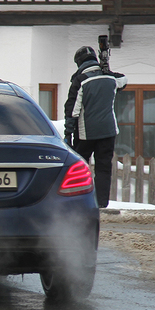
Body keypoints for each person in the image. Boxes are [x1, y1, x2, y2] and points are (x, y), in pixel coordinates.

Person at [64, 46, 127, 208]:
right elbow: (123, 81)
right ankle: (101, 204)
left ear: (79, 63)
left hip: (86, 133)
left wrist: (68, 133)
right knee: (104, 168)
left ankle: (80, 202)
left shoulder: (81, 80)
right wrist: (107, 70)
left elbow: (72, 109)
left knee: (80, 168)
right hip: (108, 132)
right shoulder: (110, 78)